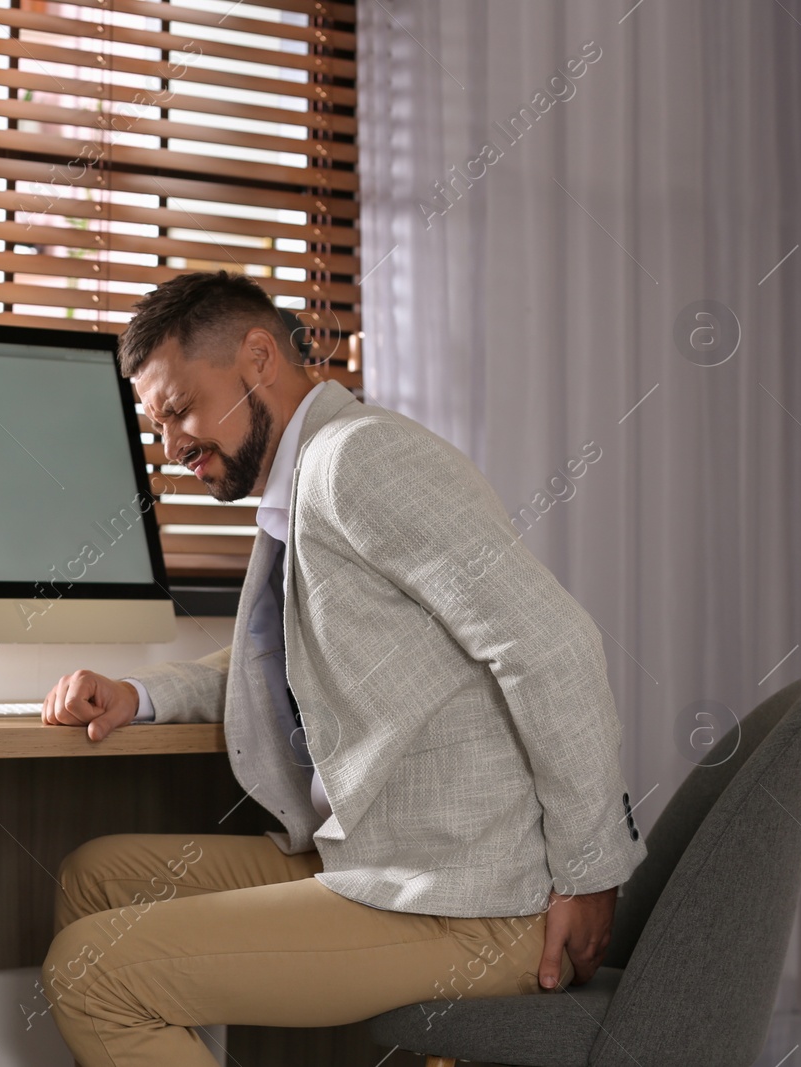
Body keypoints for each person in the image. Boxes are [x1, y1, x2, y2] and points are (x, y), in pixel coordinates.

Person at [38, 270, 647, 1066]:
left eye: (180, 411)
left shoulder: (359, 460)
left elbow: (551, 643)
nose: (171, 447)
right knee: (96, 879)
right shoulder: (301, 485)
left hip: (469, 903)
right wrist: (140, 694)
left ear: (258, 358)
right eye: (157, 427)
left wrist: (590, 872)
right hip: (381, 857)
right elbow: (279, 659)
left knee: (91, 974)